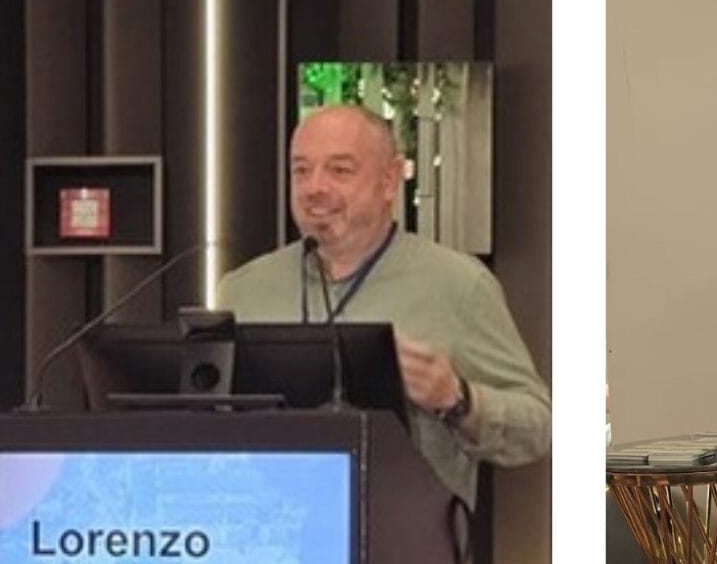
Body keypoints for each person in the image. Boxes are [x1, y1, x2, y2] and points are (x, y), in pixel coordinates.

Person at [217, 105, 552, 512]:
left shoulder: (457, 284)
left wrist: (458, 398)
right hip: (263, 549)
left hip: (404, 550)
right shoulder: (243, 290)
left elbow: (538, 428)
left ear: (389, 180)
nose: (314, 187)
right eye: (301, 170)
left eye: (339, 170)